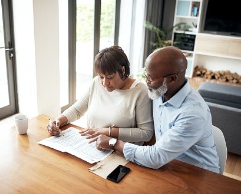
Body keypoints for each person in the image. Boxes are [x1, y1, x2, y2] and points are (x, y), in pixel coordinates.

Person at [92, 46, 220, 174]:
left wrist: (113, 142)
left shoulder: (192, 114)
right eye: (146, 76)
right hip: (167, 166)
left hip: (199, 175)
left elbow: (155, 157)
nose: (147, 82)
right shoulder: (160, 91)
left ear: (172, 79)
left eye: (150, 78)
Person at [47, 45, 154, 145]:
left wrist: (108, 132)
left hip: (121, 153)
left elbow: (146, 133)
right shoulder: (96, 83)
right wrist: (58, 122)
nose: (104, 83)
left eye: (110, 77)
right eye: (101, 76)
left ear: (123, 70)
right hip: (91, 146)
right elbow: (77, 110)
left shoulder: (140, 91)